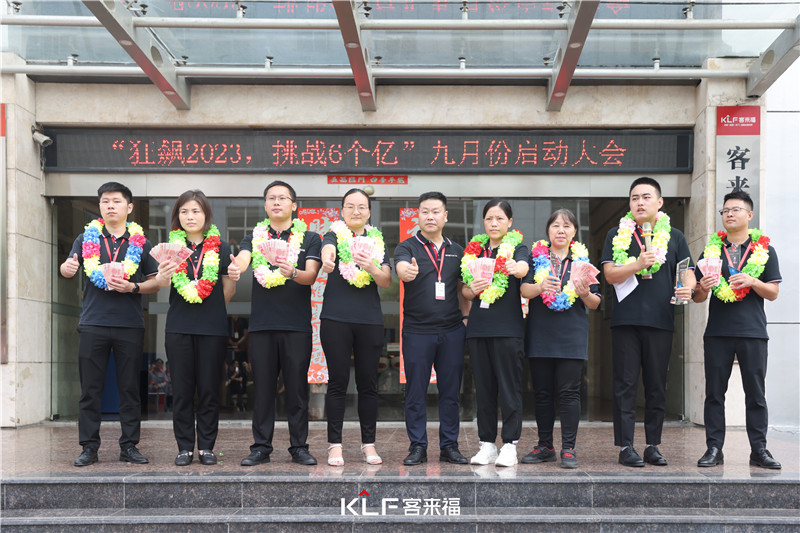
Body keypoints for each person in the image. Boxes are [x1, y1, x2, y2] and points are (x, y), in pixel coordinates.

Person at [59, 181, 167, 467]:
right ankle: (89, 448)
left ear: (129, 207)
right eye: (105, 201)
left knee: (129, 389)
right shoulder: (86, 238)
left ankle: (129, 446)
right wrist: (67, 268)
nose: (110, 206)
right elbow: (67, 268)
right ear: (100, 206)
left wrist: (133, 287)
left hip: (129, 324)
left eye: (116, 201)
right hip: (93, 323)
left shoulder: (141, 243)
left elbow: (156, 282)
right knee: (90, 390)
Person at [600, 176, 695, 467]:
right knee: (625, 385)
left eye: (646, 197)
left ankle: (653, 445)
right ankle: (625, 446)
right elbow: (610, 275)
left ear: (660, 202)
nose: (639, 202)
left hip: (660, 320)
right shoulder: (617, 234)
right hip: (626, 321)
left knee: (656, 385)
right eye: (634, 198)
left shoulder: (675, 236)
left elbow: (687, 271)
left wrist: (689, 288)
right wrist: (637, 264)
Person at [693, 191, 782, 469]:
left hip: (752, 332)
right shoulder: (711, 250)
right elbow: (697, 297)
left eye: (735, 209)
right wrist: (702, 287)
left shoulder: (765, 250)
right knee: (714, 393)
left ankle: (759, 450)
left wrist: (753, 281)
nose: (729, 214)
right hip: (718, 332)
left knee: (755, 393)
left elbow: (773, 293)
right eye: (725, 211)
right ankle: (714, 448)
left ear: (749, 215)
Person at [236, 180, 322, 466]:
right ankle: (261, 447)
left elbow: (311, 276)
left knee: (297, 390)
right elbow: (244, 259)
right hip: (262, 325)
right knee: (262, 389)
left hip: (296, 325)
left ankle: (299, 447)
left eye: (283, 198)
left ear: (294, 205)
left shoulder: (309, 238)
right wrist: (237, 266)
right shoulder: (254, 237)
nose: (276, 202)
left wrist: (292, 272)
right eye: (271, 198)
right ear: (265, 205)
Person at [158, 190, 241, 466]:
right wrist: (163, 275)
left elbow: (229, 289)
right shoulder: (171, 247)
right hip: (178, 326)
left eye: (195, 211)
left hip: (212, 328)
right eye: (184, 211)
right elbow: (161, 284)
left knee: (208, 389)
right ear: (177, 216)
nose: (190, 216)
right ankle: (184, 447)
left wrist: (210, 306)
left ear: (206, 215)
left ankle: (206, 446)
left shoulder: (221, 248)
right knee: (182, 390)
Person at [521, 209, 601, 469]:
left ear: (574, 232)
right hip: (540, 333)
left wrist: (585, 293)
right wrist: (540, 287)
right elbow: (524, 290)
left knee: (569, 393)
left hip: (571, 335)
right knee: (542, 393)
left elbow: (596, 302)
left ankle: (569, 448)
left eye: (566, 226)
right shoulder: (536, 258)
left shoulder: (582, 261)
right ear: (548, 230)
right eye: (556, 225)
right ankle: (545, 446)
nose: (561, 230)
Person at [395, 191, 470, 466]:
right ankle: (418, 446)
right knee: (416, 392)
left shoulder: (458, 250)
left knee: (451, 393)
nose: (430, 216)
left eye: (435, 211)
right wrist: (406, 272)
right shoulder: (406, 247)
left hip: (452, 330)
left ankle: (449, 446)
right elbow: (401, 268)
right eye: (425, 211)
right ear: (418, 215)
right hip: (417, 331)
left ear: (445, 216)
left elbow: (462, 290)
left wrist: (465, 320)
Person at [319, 188, 392, 466]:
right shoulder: (333, 234)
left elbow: (386, 280)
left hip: (369, 320)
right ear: (342, 211)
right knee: (337, 382)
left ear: (369, 212)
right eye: (350, 206)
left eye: (362, 206)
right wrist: (328, 259)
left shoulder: (377, 241)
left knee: (368, 384)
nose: (356, 211)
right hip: (336, 318)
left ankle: (368, 444)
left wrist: (371, 267)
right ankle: (334, 445)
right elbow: (327, 250)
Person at [461, 199, 530, 467]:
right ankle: (487, 444)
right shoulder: (475, 250)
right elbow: (465, 291)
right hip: (479, 329)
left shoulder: (517, 247)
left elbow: (524, 268)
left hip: (507, 329)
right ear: (483, 222)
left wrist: (516, 268)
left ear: (509, 222)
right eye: (489, 218)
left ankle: (510, 444)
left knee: (509, 389)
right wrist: (473, 289)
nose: (494, 223)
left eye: (500, 218)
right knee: (484, 389)